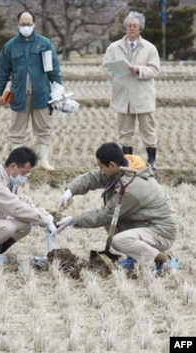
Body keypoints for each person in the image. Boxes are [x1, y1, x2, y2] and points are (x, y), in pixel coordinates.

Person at [56, 142, 178, 274]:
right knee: (111, 222)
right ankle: (136, 256)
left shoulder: (132, 187)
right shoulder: (123, 166)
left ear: (112, 165)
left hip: (161, 231)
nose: (101, 170)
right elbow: (94, 177)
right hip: (145, 222)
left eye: (101, 167)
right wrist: (70, 191)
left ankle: (161, 259)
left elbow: (104, 215)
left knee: (119, 241)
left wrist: (73, 220)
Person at [0, 10, 63, 171]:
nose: (26, 26)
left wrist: (59, 89)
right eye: (23, 24)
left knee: (43, 128)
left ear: (34, 24)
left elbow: (53, 69)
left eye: (29, 24)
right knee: (16, 130)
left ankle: (44, 161)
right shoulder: (10, 46)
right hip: (18, 95)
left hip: (41, 95)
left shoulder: (44, 44)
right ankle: (17, 164)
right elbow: (2, 71)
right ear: (18, 25)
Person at [102, 11, 160, 170]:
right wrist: (117, 77)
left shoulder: (149, 48)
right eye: (129, 25)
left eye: (135, 26)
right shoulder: (114, 47)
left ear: (140, 28)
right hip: (123, 96)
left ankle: (152, 161)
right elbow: (106, 68)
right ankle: (127, 162)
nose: (131, 28)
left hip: (143, 96)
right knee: (125, 132)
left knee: (148, 129)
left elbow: (155, 70)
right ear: (125, 27)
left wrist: (138, 70)